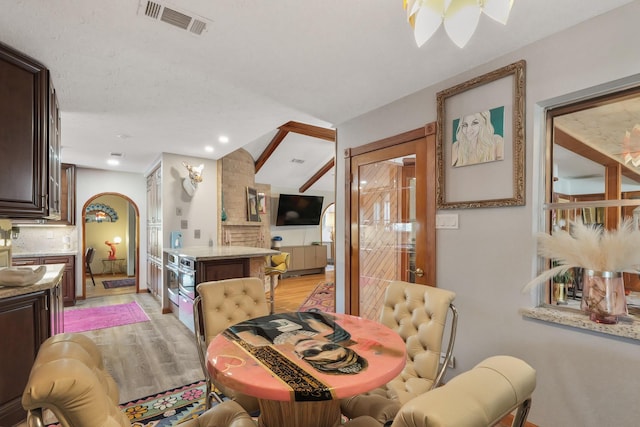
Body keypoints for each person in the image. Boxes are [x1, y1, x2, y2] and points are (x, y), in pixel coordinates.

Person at [226, 311, 368, 375]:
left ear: (300, 358)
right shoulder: (330, 331)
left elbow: (236, 328)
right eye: (329, 347)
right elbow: (313, 313)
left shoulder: (264, 345)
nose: (316, 346)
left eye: (311, 352)